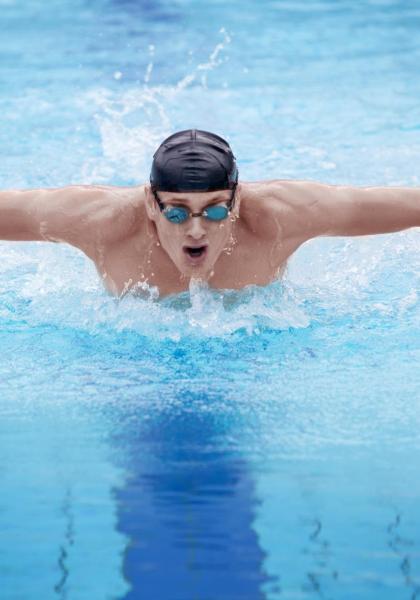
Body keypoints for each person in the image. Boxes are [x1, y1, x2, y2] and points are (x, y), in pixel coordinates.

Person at [0, 129, 419, 298]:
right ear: (151, 203)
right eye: (178, 214)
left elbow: (397, 205)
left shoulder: (279, 215)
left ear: (237, 202)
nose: (197, 230)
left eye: (216, 211)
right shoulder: (100, 221)